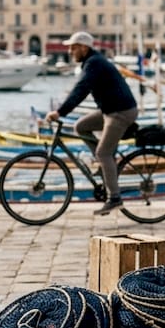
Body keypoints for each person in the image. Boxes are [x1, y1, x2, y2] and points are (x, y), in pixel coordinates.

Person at [44, 31, 139, 215]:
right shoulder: (92, 62)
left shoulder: (94, 63)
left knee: (103, 152)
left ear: (84, 47)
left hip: (120, 112)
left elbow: (81, 89)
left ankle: (114, 198)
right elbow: (79, 89)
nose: (70, 51)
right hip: (110, 110)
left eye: (73, 47)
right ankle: (104, 165)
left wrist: (60, 112)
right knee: (80, 126)